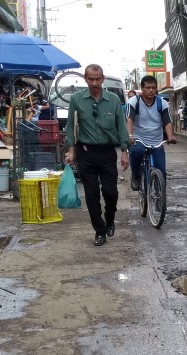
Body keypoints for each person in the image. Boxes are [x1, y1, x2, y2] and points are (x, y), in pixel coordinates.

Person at [64, 64, 129, 247]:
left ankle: (110, 219)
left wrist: (124, 152)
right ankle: (99, 231)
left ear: (102, 79)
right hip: (86, 154)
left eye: (97, 79)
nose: (94, 83)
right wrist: (71, 151)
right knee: (91, 195)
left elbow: (121, 126)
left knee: (111, 192)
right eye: (90, 79)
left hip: (107, 153)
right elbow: (70, 125)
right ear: (85, 79)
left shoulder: (113, 100)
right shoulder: (77, 99)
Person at [126, 75, 176, 194]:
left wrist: (170, 136)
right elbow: (130, 119)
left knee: (161, 170)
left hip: (157, 139)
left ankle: (159, 196)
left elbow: (167, 121)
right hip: (139, 138)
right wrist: (130, 135)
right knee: (137, 152)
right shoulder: (134, 102)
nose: (151, 90)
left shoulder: (162, 103)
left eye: (153, 88)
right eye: (148, 87)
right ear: (142, 88)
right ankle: (136, 175)